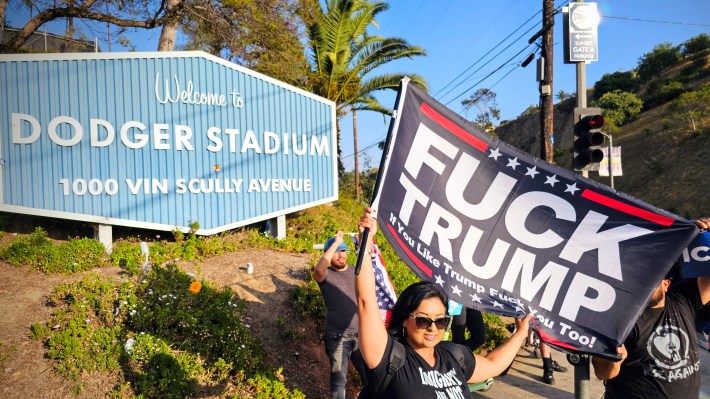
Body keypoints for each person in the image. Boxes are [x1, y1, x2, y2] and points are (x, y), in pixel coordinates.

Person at [355, 208, 531, 398]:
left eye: (440, 321)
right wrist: (365, 245)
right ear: (405, 319)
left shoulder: (454, 355)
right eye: (423, 320)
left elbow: (493, 364)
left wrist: (520, 334)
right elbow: (366, 301)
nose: (433, 328)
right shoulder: (389, 358)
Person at [591, 218, 710, 399]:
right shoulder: (621, 317)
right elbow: (602, 373)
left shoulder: (683, 300)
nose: (643, 287)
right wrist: (615, 361)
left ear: (666, 283)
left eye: (650, 280)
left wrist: (699, 235)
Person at [314, 231, 366, 399]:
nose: (341, 255)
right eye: (337, 251)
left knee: (371, 375)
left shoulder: (354, 271)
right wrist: (336, 243)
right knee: (338, 379)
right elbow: (319, 270)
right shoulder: (326, 275)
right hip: (337, 336)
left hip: (361, 335)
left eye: (343, 251)